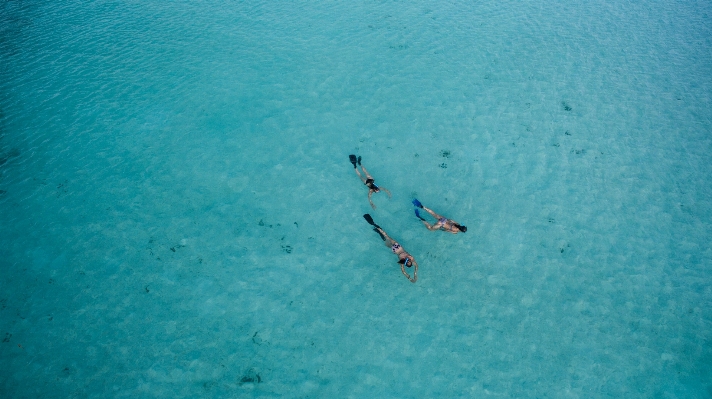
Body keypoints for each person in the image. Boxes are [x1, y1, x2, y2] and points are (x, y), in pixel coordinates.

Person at [363, 214, 418, 283]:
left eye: (409, 262)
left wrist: (412, 277)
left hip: (396, 248)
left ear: (407, 263)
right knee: (386, 238)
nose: (409, 261)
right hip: (396, 248)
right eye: (410, 262)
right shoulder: (406, 260)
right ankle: (377, 228)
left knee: (386, 237)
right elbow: (411, 269)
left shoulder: (407, 260)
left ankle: (378, 229)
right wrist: (413, 276)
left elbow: (406, 270)